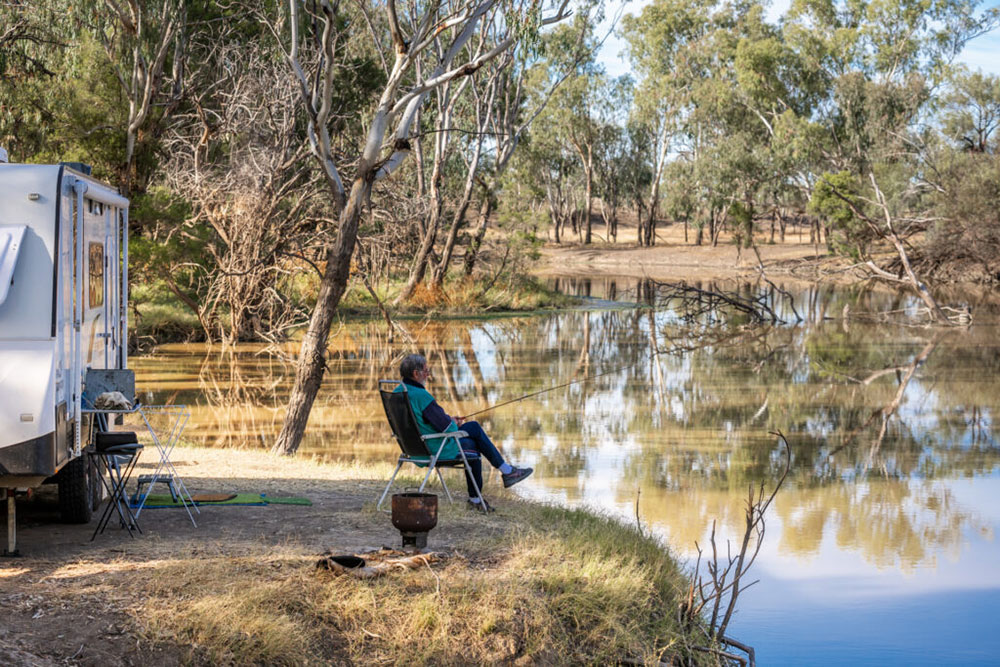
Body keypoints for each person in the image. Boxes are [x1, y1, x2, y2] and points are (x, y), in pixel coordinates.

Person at [396, 353, 533, 512]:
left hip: (414, 448)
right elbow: (447, 428)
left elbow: (426, 420)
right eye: (426, 371)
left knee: (473, 438)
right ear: (416, 373)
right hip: (435, 449)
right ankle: (501, 476)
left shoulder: (400, 391)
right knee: (473, 437)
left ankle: (501, 476)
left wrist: (449, 420)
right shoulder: (421, 396)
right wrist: (452, 422)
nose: (428, 374)